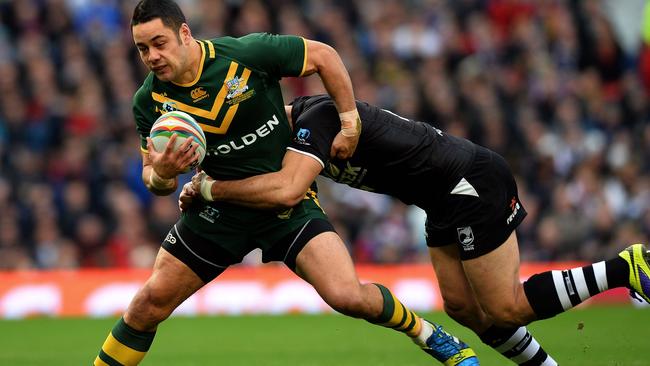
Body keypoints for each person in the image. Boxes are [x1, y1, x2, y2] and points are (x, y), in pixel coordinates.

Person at [93, 2, 479, 366]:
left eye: (159, 43)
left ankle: (426, 332)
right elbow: (153, 178)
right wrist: (162, 174)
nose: (152, 56)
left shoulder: (247, 54)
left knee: (347, 296)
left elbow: (324, 56)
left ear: (185, 33)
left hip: (284, 207)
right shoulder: (149, 101)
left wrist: (349, 121)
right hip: (218, 213)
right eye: (142, 49)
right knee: (148, 304)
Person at [183, 94, 650, 365]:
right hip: (438, 199)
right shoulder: (292, 135)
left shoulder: (315, 121)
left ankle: (622, 267)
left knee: (505, 308)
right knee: (465, 311)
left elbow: (286, 190)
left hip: (469, 181)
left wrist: (210, 190)